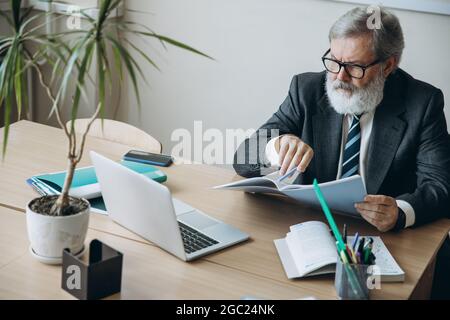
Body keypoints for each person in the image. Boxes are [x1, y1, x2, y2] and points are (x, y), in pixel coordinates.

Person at [233, 6, 450, 232]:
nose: (339, 77)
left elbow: (440, 185)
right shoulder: (307, 90)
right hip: (312, 225)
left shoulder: (422, 103)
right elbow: (243, 159)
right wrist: (275, 147)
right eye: (334, 61)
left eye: (354, 67)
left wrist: (401, 212)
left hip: (382, 235)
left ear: (387, 66)